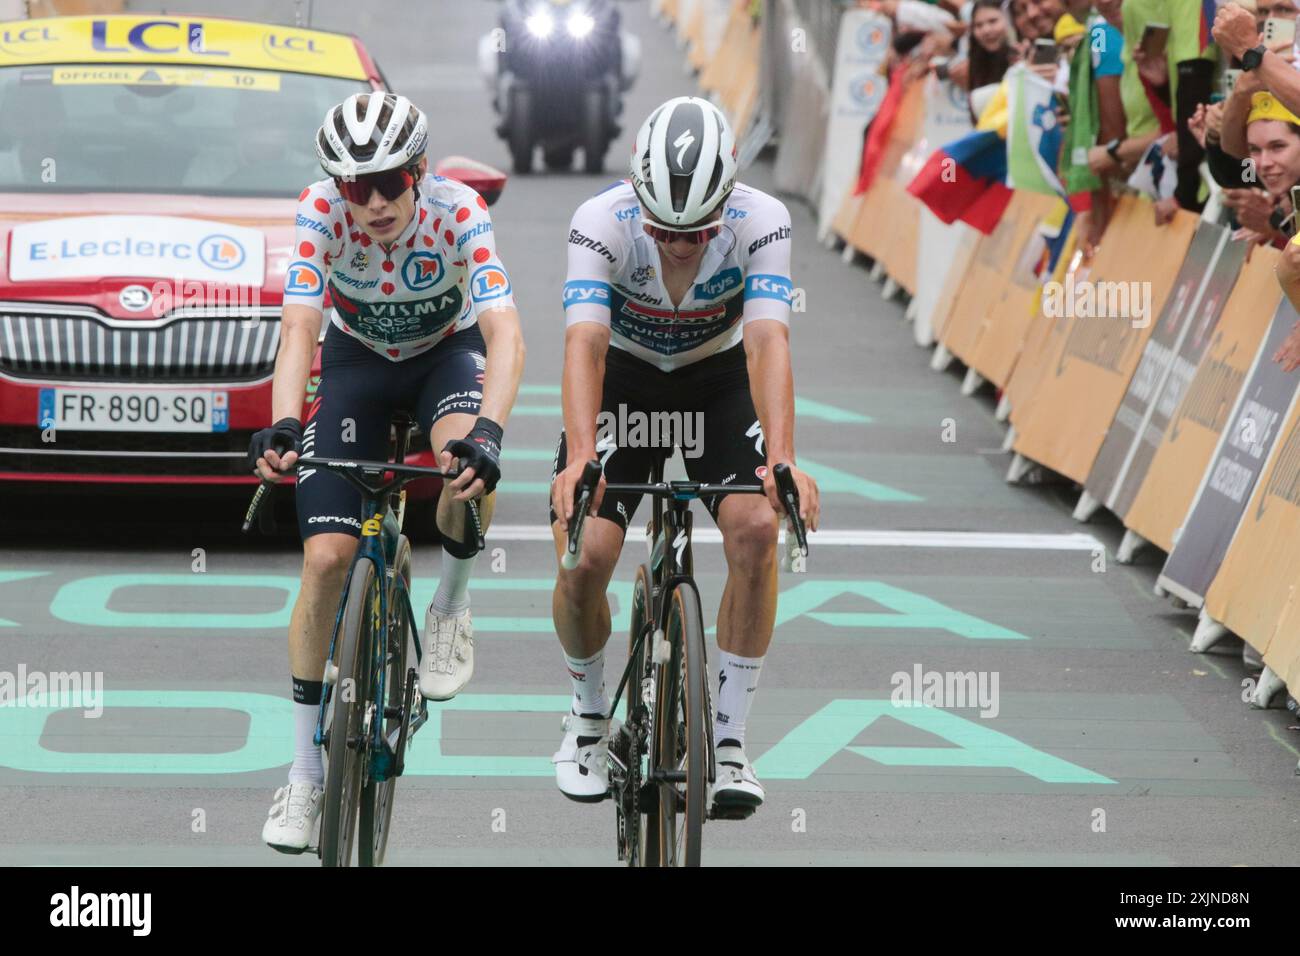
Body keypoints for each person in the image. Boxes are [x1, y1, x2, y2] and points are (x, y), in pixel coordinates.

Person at [248, 92, 526, 853]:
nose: (371, 203)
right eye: (353, 186)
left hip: (446, 355)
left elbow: (505, 334)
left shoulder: (460, 211)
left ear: (420, 171)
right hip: (357, 363)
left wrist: (490, 436)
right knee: (327, 558)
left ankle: (450, 608)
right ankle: (305, 774)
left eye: (389, 184)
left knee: (467, 468)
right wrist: (281, 422)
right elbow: (301, 325)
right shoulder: (318, 211)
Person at [547, 96, 820, 817]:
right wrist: (581, 459)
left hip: (715, 383)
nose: (679, 244)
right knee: (582, 560)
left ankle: (728, 741)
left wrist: (783, 458)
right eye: (665, 228)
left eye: (698, 229)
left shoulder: (764, 221)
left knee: (759, 530)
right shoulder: (598, 223)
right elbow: (587, 345)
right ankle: (586, 716)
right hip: (625, 384)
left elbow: (767, 342)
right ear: (638, 201)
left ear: (726, 203)